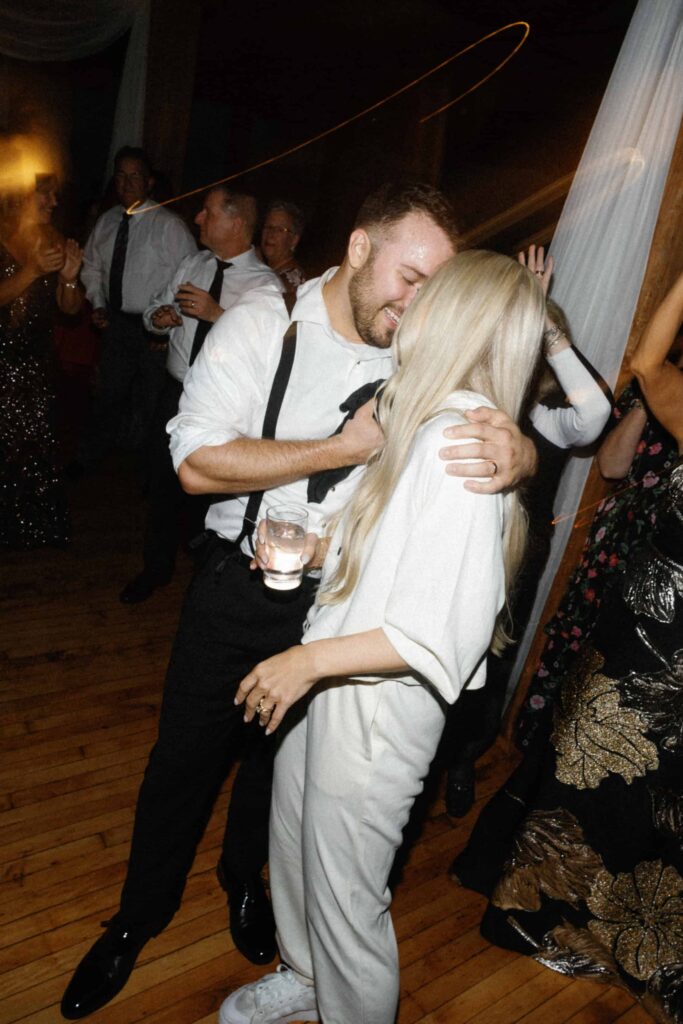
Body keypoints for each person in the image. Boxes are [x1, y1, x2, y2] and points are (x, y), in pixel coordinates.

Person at [60, 182, 537, 1020]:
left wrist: (519, 449)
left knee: (275, 784)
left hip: (342, 613)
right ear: (358, 249)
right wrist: (339, 447)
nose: (416, 302)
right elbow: (194, 464)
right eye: (409, 275)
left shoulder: (415, 351)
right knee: (186, 763)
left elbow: (477, 405)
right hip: (240, 587)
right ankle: (136, 923)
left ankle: (249, 891)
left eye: (436, 286)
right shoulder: (260, 323)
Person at [219, 249, 547, 1024]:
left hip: (375, 706)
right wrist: (317, 548)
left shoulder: (455, 446)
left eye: (425, 296)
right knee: (297, 847)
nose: (408, 307)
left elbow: (439, 634)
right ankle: (303, 979)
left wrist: (302, 662)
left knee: (347, 899)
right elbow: (390, 554)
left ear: (454, 317)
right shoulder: (422, 419)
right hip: (337, 676)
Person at [451, 271, 683, 1024]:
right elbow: (614, 460)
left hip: (660, 628)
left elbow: (645, 362)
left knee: (606, 765)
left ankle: (558, 909)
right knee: (581, 752)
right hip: (634, 598)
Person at [442, 247, 612, 817]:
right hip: (454, 548)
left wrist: (544, 319)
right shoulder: (486, 399)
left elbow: (595, 416)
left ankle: (463, 755)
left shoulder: (551, 420)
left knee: (488, 663)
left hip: (515, 563)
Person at [515, 337, 681, 751]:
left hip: (661, 568)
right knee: (570, 646)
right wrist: (648, 400)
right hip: (611, 550)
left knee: (617, 667)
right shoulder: (648, 389)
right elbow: (610, 466)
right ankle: (531, 751)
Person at [119, 188, 281, 604]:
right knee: (161, 484)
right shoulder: (194, 262)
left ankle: (205, 579)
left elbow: (271, 350)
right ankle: (155, 569)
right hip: (176, 392)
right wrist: (162, 318)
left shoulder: (263, 286)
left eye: (207, 213)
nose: (197, 219)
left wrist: (216, 315)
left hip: (227, 405)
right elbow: (154, 315)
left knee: (211, 495)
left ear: (236, 223)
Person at [77, 146, 196, 469]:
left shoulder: (168, 225)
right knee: (108, 394)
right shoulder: (107, 221)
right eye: (120, 175)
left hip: (152, 331)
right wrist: (98, 303)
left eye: (134, 176)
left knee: (149, 400)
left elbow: (188, 276)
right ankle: (93, 457)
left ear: (149, 181)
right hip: (116, 323)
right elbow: (92, 267)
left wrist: (164, 325)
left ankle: (142, 469)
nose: (126, 183)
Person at [0, 172, 83, 548]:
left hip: (35, 360)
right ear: (20, 197)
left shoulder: (53, 239)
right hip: (2, 357)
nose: (53, 203)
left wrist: (69, 278)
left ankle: (28, 525)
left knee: (33, 444)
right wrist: (32, 271)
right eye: (45, 196)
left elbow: (70, 309)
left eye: (55, 196)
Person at [259, 200, 306, 294]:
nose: (271, 234)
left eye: (280, 230)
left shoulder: (289, 282)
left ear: (294, 240)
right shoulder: (259, 265)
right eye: (268, 227)